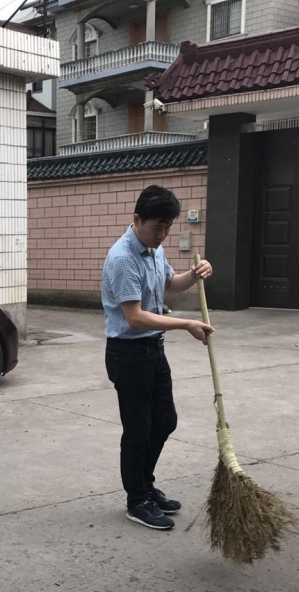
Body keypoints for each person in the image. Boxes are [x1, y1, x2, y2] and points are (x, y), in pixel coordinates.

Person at [101, 185, 214, 532]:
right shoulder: (123, 258)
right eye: (157, 227)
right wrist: (186, 323)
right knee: (137, 431)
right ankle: (137, 501)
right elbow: (134, 317)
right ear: (137, 220)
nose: (163, 235)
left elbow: (171, 285)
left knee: (164, 421)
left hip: (153, 350)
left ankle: (146, 486)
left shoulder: (154, 250)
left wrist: (193, 276)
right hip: (128, 353)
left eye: (167, 228)